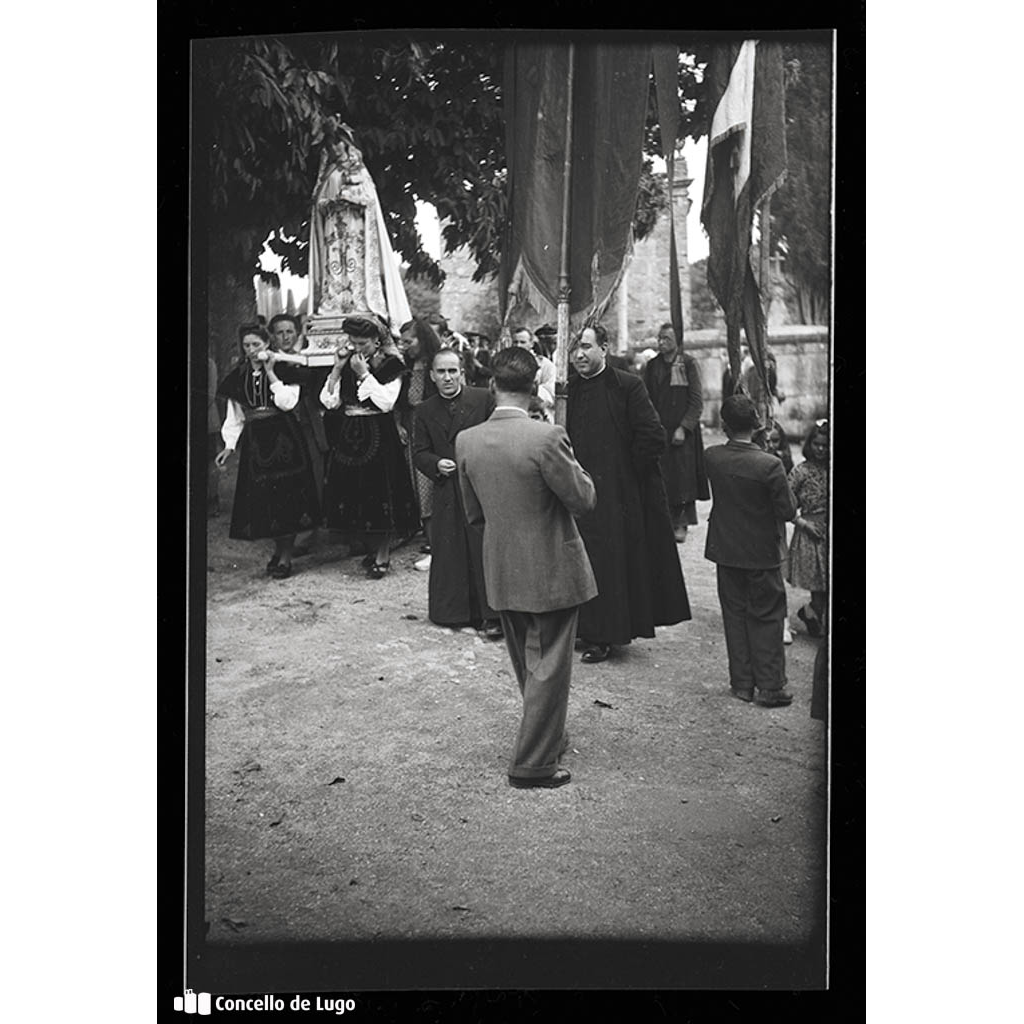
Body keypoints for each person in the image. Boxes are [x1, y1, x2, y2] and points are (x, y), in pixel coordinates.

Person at [456, 346, 598, 789]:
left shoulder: (467, 440)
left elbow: (474, 514)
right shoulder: (546, 437)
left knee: (528, 663)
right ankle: (533, 763)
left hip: (500, 563)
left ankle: (546, 734)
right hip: (552, 563)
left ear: (493, 385)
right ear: (536, 387)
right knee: (551, 664)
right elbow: (583, 499)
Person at [566, 324, 691, 663]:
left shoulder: (627, 386)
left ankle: (604, 635)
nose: (579, 354)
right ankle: (583, 627)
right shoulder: (570, 390)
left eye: (587, 347)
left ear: (604, 348)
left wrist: (623, 476)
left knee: (609, 563)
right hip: (577, 489)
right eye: (575, 347)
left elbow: (652, 435)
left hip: (616, 494)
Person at [704, 394, 798, 707]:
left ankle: (742, 684)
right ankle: (770, 686)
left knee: (735, 615)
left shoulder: (712, 456)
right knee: (768, 616)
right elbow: (786, 511)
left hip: (726, 549)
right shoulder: (770, 465)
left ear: (724, 424)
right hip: (762, 552)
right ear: (757, 424)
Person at [214, 324, 321, 579]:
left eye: (256, 345)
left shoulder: (285, 368)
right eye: (247, 345)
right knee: (267, 499)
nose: (251, 351)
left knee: (287, 496)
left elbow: (288, 402)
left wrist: (272, 373)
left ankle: (285, 556)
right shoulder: (238, 375)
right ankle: (278, 549)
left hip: (285, 437)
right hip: (256, 441)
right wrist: (229, 445)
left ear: (267, 344)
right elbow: (236, 415)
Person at [319, 313, 419, 578]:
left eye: (363, 343)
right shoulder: (349, 362)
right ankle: (371, 548)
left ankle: (383, 554)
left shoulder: (392, 365)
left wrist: (364, 375)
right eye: (353, 342)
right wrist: (338, 368)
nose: (357, 348)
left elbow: (386, 402)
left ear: (377, 341)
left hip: (379, 432)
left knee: (381, 491)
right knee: (357, 491)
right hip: (351, 433)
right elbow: (330, 402)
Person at [413, 349, 500, 638]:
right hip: (447, 488)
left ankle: (492, 615)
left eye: (453, 371)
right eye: (441, 372)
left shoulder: (482, 399)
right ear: (432, 376)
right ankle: (452, 612)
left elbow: (495, 437)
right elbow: (419, 452)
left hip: (479, 485)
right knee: (450, 549)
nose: (448, 377)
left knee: (482, 545)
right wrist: (436, 463)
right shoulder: (424, 410)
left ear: (462, 373)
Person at [308, 121, 410, 329]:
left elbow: (370, 200)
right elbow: (318, 202)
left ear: (346, 144)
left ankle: (358, 301)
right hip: (333, 225)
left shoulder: (360, 170)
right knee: (334, 262)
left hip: (355, 224)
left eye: (338, 144)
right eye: (331, 146)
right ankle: (334, 302)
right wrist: (329, 203)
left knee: (354, 261)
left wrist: (352, 199)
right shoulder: (329, 173)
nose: (335, 149)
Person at [269, 312, 330, 556]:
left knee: (314, 477)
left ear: (296, 334)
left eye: (290, 332)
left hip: (308, 425)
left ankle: (307, 535)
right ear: (272, 337)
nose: (285, 337)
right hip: (281, 429)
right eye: (280, 332)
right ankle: (285, 535)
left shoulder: (307, 358)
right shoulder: (271, 362)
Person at [643, 322, 710, 543]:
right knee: (662, 474)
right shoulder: (652, 366)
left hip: (683, 433)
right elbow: (646, 397)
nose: (661, 343)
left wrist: (684, 427)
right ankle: (664, 520)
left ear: (676, 341)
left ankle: (681, 522)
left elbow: (696, 401)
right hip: (659, 429)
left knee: (682, 477)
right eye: (659, 338)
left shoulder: (688, 364)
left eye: (666, 339)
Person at [397, 317, 442, 558]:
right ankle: (427, 536)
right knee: (417, 483)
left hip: (431, 428)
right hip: (411, 426)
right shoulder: (404, 365)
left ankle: (437, 542)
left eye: (408, 341)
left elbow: (418, 399)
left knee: (430, 484)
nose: (404, 346)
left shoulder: (435, 364)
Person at [786, 420, 830, 636]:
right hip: (811, 532)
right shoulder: (801, 471)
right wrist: (803, 524)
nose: (821, 449)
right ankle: (814, 614)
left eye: (825, 445)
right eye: (817, 444)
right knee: (819, 585)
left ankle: (812, 614)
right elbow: (783, 503)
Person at [513, 326, 556, 419]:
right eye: (515, 342)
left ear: (531, 344)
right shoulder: (508, 365)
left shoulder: (545, 365)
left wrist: (536, 389)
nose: (518, 346)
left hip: (539, 414)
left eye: (523, 342)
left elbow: (552, 390)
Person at [207, 354, 224, 517]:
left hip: (207, 423)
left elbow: (210, 394)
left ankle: (212, 500)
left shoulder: (209, 363)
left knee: (211, 461)